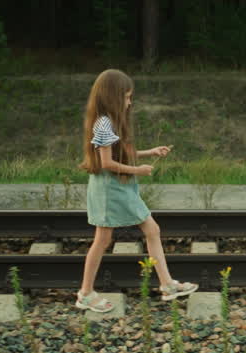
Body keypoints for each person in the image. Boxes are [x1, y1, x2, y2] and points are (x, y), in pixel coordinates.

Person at [77, 68, 196, 312]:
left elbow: (117, 154)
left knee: (149, 229)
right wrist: (138, 170)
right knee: (103, 239)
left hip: (118, 185)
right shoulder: (104, 123)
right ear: (113, 95)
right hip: (110, 188)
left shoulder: (108, 121)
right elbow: (107, 163)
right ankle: (85, 293)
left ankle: (167, 284)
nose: (130, 102)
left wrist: (148, 152)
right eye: (127, 96)